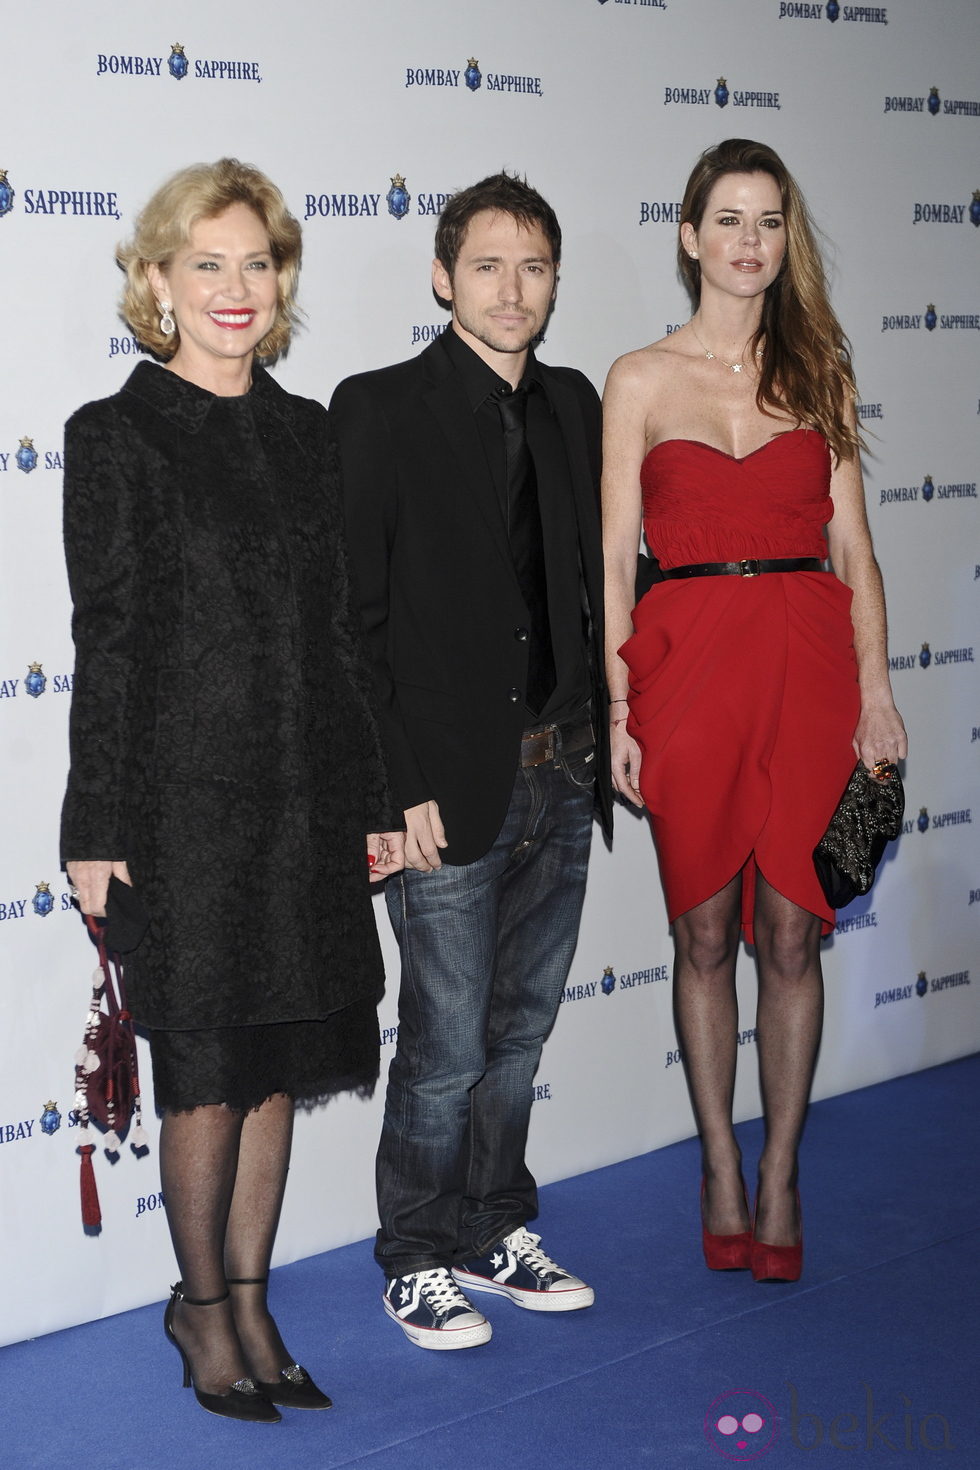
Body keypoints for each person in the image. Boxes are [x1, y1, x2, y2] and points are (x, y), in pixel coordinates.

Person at [61, 158, 404, 1421]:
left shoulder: (307, 433)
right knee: (205, 1063)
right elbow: (110, 638)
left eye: (255, 262)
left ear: (282, 281)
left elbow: (343, 640)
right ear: (156, 281)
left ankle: (254, 1298)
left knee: (275, 1059)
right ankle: (199, 1311)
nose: (234, 287)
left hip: (307, 796)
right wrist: (95, 826)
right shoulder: (117, 434)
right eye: (205, 263)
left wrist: (371, 800)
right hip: (181, 808)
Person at [601, 139, 906, 1284]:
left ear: (784, 243)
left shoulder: (815, 366)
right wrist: (620, 709)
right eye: (726, 219)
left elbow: (854, 549)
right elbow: (611, 566)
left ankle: (778, 1170)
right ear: (687, 237)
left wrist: (875, 693)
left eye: (767, 222)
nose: (746, 241)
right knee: (701, 931)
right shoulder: (637, 378)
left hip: (807, 669)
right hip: (686, 671)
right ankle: (715, 1164)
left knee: (790, 931)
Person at [330, 172, 611, 1349]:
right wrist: (395, 785)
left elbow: (587, 590)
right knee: (444, 1048)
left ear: (554, 283)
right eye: (486, 264)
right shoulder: (377, 407)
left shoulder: (576, 404)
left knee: (519, 1034)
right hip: (444, 789)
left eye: (533, 266)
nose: (511, 289)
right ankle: (414, 1253)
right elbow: (351, 623)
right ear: (442, 277)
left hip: (561, 768)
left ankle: (496, 1225)